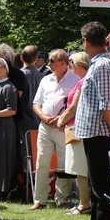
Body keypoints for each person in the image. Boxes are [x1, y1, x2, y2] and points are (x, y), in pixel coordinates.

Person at [72, 21, 110, 220]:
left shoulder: (101, 65)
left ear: (86, 41)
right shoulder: (99, 63)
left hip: (99, 132)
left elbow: (106, 102)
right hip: (93, 131)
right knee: (95, 182)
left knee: (101, 184)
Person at [31, 48, 79, 210]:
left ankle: (62, 199)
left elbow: (75, 105)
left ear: (63, 63)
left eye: (52, 60)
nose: (48, 63)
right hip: (45, 125)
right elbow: (36, 103)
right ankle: (40, 200)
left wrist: (61, 119)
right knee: (41, 162)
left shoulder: (75, 80)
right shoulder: (46, 80)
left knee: (64, 163)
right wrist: (43, 117)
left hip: (63, 126)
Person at [57, 52, 91, 216]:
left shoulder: (82, 82)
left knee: (80, 168)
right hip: (76, 128)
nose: (70, 67)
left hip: (77, 129)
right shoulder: (82, 81)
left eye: (71, 63)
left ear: (79, 64)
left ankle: (84, 204)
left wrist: (61, 120)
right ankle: (83, 202)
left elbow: (73, 107)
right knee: (79, 169)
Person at [0, 58, 18, 201]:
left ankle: (3, 189)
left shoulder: (8, 87)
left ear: (6, 69)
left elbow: (12, 110)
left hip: (4, 126)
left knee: (3, 156)